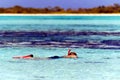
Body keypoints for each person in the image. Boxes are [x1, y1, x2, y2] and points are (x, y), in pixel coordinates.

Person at [13, 49, 78, 60]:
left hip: (56, 57)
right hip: (56, 58)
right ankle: (28, 56)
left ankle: (27, 57)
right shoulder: (73, 56)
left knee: (40, 58)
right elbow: (74, 57)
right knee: (40, 59)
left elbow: (68, 56)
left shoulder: (68, 55)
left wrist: (68, 53)